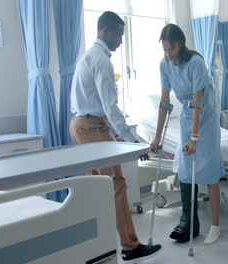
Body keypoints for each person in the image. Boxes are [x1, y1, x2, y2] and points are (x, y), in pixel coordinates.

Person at [69, 11, 161, 263]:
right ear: (105, 31)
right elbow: (110, 107)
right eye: (119, 34)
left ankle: (95, 245)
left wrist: (115, 134)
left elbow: (99, 105)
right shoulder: (101, 61)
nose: (121, 40)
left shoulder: (88, 56)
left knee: (96, 188)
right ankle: (130, 246)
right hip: (92, 127)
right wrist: (132, 141)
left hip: (81, 125)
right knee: (116, 185)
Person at [151, 23, 224, 245]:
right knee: (185, 168)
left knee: (210, 172)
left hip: (206, 118)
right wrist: (156, 137)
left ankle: (215, 225)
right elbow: (164, 102)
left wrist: (195, 138)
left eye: (170, 49)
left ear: (180, 44)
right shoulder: (165, 65)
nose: (167, 54)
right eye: (164, 49)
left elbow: (198, 102)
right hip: (186, 117)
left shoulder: (196, 63)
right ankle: (189, 223)